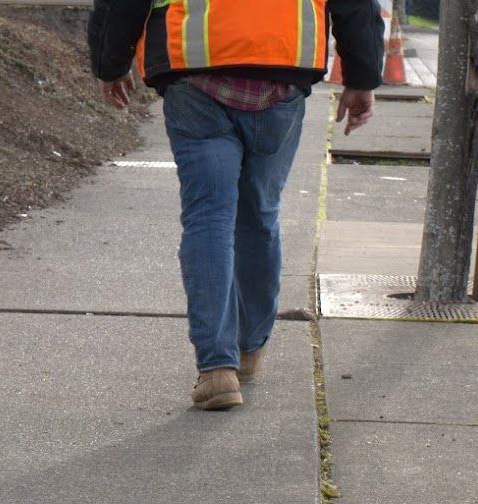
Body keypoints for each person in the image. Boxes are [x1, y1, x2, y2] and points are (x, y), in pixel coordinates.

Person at [89, 0, 383, 410]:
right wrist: (362, 77)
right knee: (260, 216)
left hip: (195, 78)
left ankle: (216, 369)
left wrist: (110, 63)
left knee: (208, 217)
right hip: (282, 77)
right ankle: (248, 350)